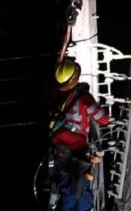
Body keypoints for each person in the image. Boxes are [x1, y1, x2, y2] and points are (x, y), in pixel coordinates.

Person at [47, 58, 110, 211]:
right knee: (81, 192)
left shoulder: (54, 96)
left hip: (58, 152)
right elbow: (103, 119)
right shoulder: (83, 98)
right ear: (76, 76)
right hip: (78, 153)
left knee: (65, 189)